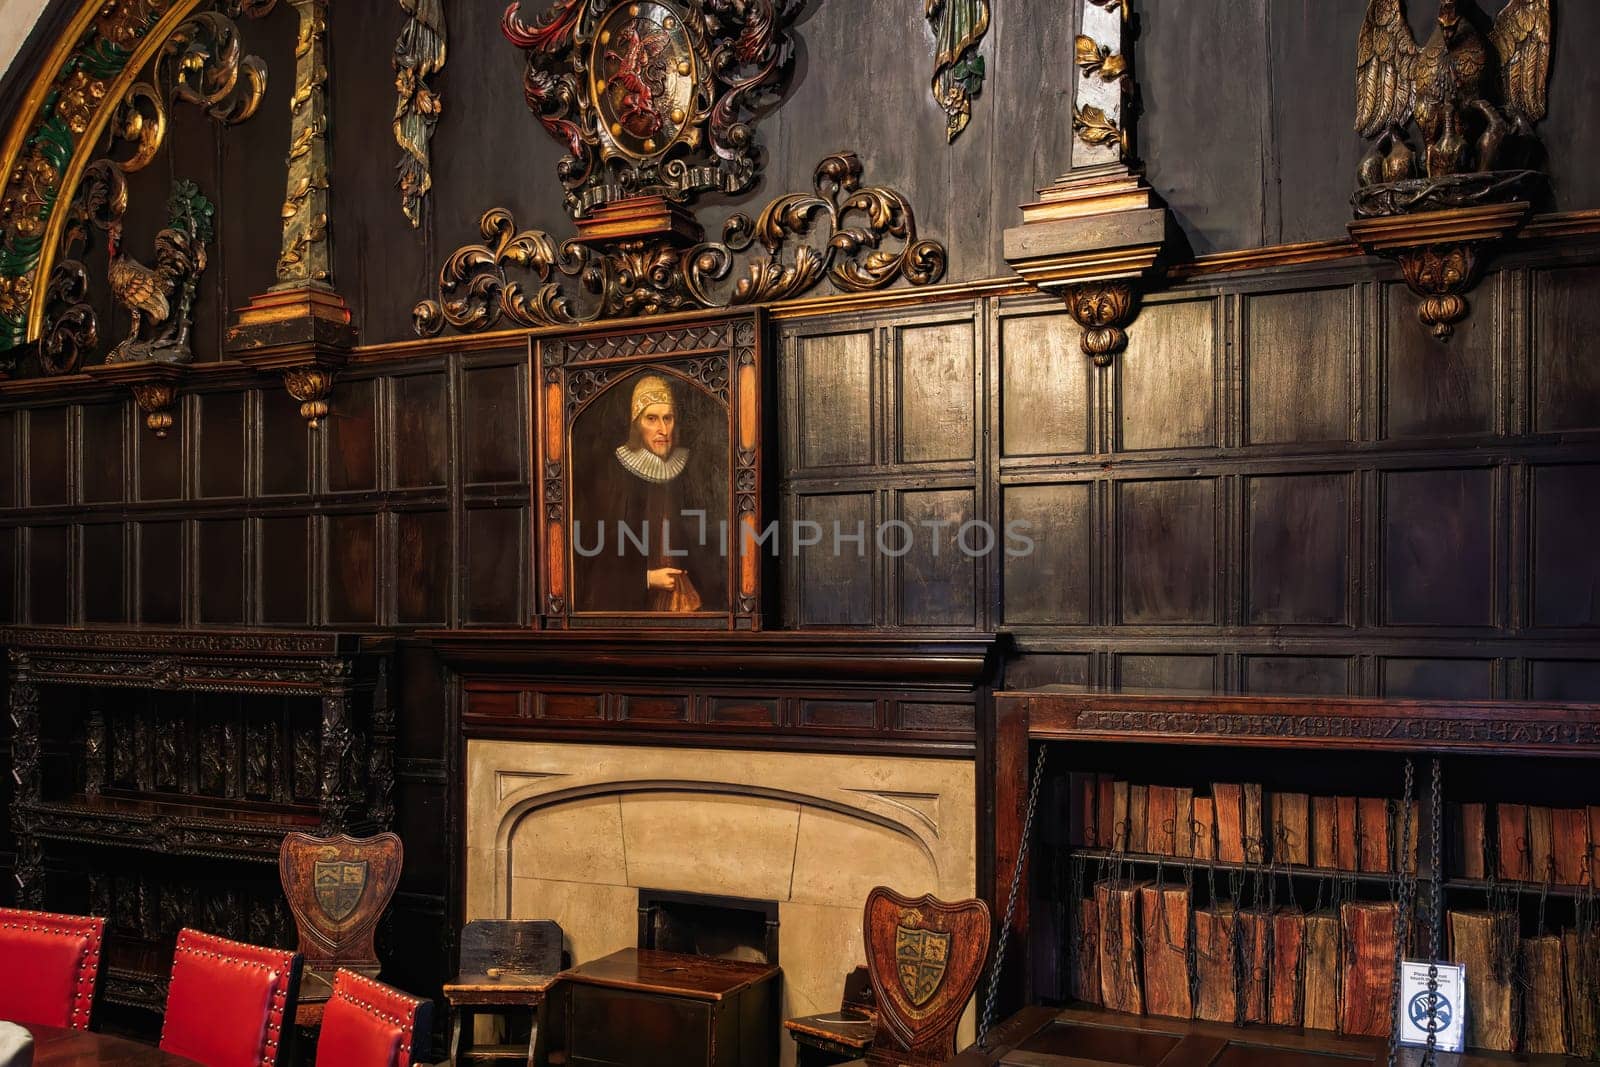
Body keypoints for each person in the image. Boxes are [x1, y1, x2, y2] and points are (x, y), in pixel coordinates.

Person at [572, 373, 726, 613]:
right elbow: (595, 560)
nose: (663, 429)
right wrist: (647, 579)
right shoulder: (613, 474)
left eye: (668, 418)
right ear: (636, 424)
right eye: (652, 419)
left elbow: (707, 549)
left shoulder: (692, 468)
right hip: (632, 606)